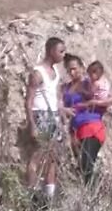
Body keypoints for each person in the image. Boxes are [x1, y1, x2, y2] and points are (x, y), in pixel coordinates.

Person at [61, 56, 112, 187]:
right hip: (76, 131)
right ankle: (89, 197)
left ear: (82, 68)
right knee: (82, 166)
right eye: (69, 70)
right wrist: (65, 110)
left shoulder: (91, 82)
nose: (72, 73)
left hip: (92, 127)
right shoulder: (65, 88)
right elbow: (58, 105)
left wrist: (94, 102)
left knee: (87, 162)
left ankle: (91, 198)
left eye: (74, 69)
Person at [25, 37, 67, 202]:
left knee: (52, 157)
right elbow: (28, 101)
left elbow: (57, 96)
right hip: (41, 114)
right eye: (61, 51)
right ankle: (32, 195)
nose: (63, 55)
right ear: (51, 51)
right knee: (38, 155)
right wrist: (32, 124)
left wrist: (61, 113)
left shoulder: (55, 72)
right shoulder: (38, 73)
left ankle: (49, 197)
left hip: (53, 116)